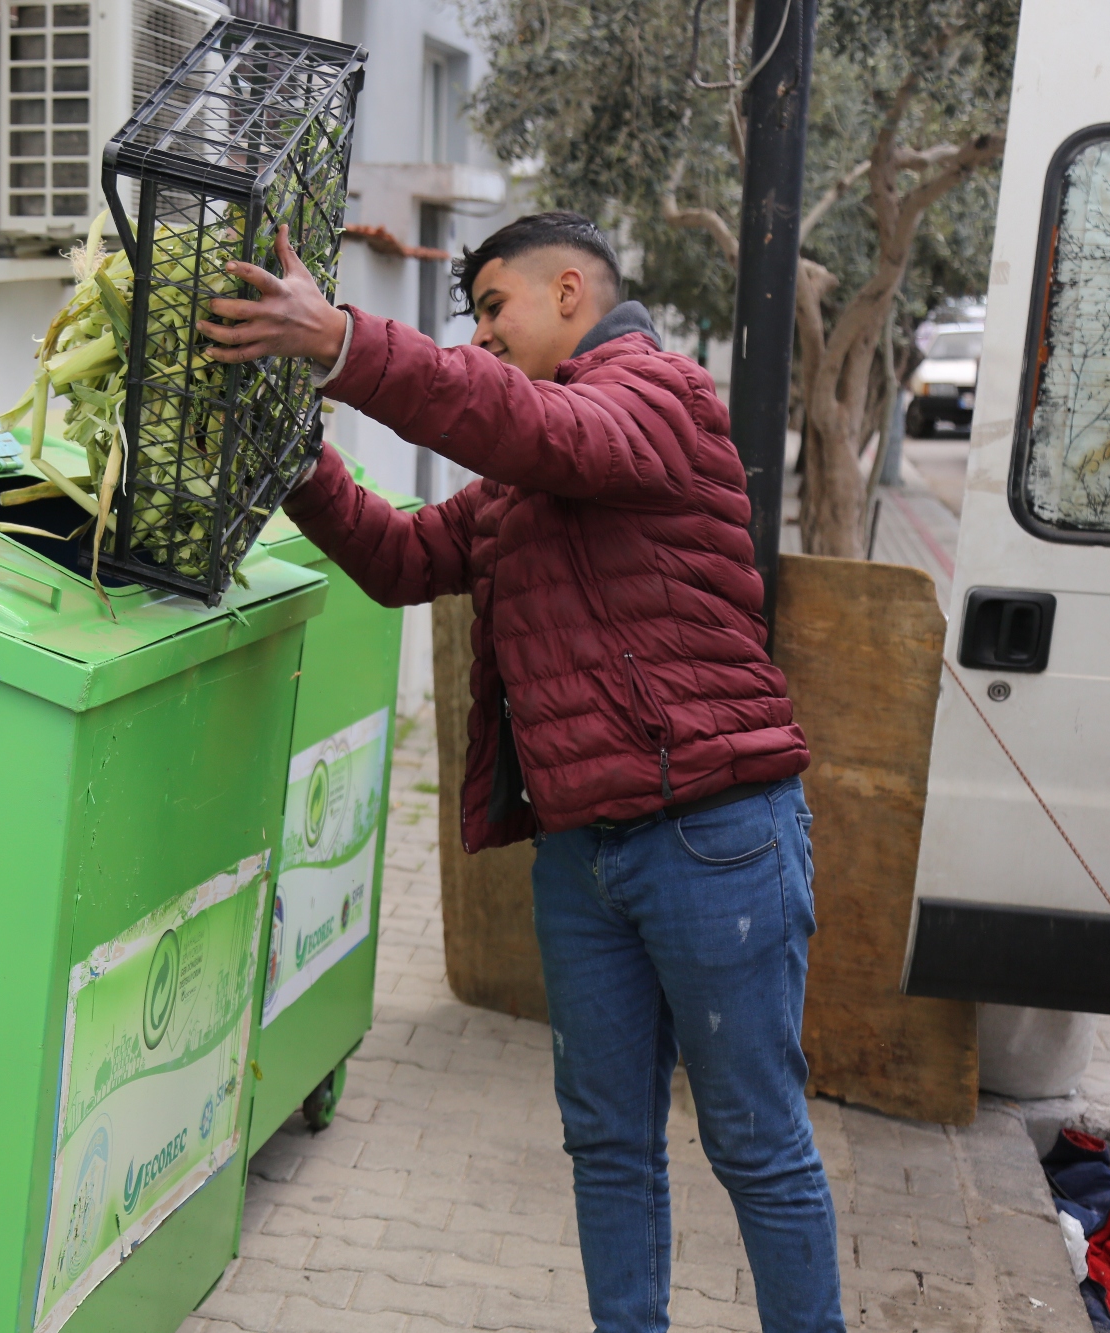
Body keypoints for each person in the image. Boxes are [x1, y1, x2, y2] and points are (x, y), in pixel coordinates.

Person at [199, 211, 840, 1333]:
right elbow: (403, 558)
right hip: (581, 856)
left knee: (754, 1141)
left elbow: (534, 430)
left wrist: (344, 343)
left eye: (492, 307)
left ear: (568, 295)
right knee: (604, 1144)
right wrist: (296, 461)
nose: (484, 334)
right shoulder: (515, 482)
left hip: (712, 837)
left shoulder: (660, 397)